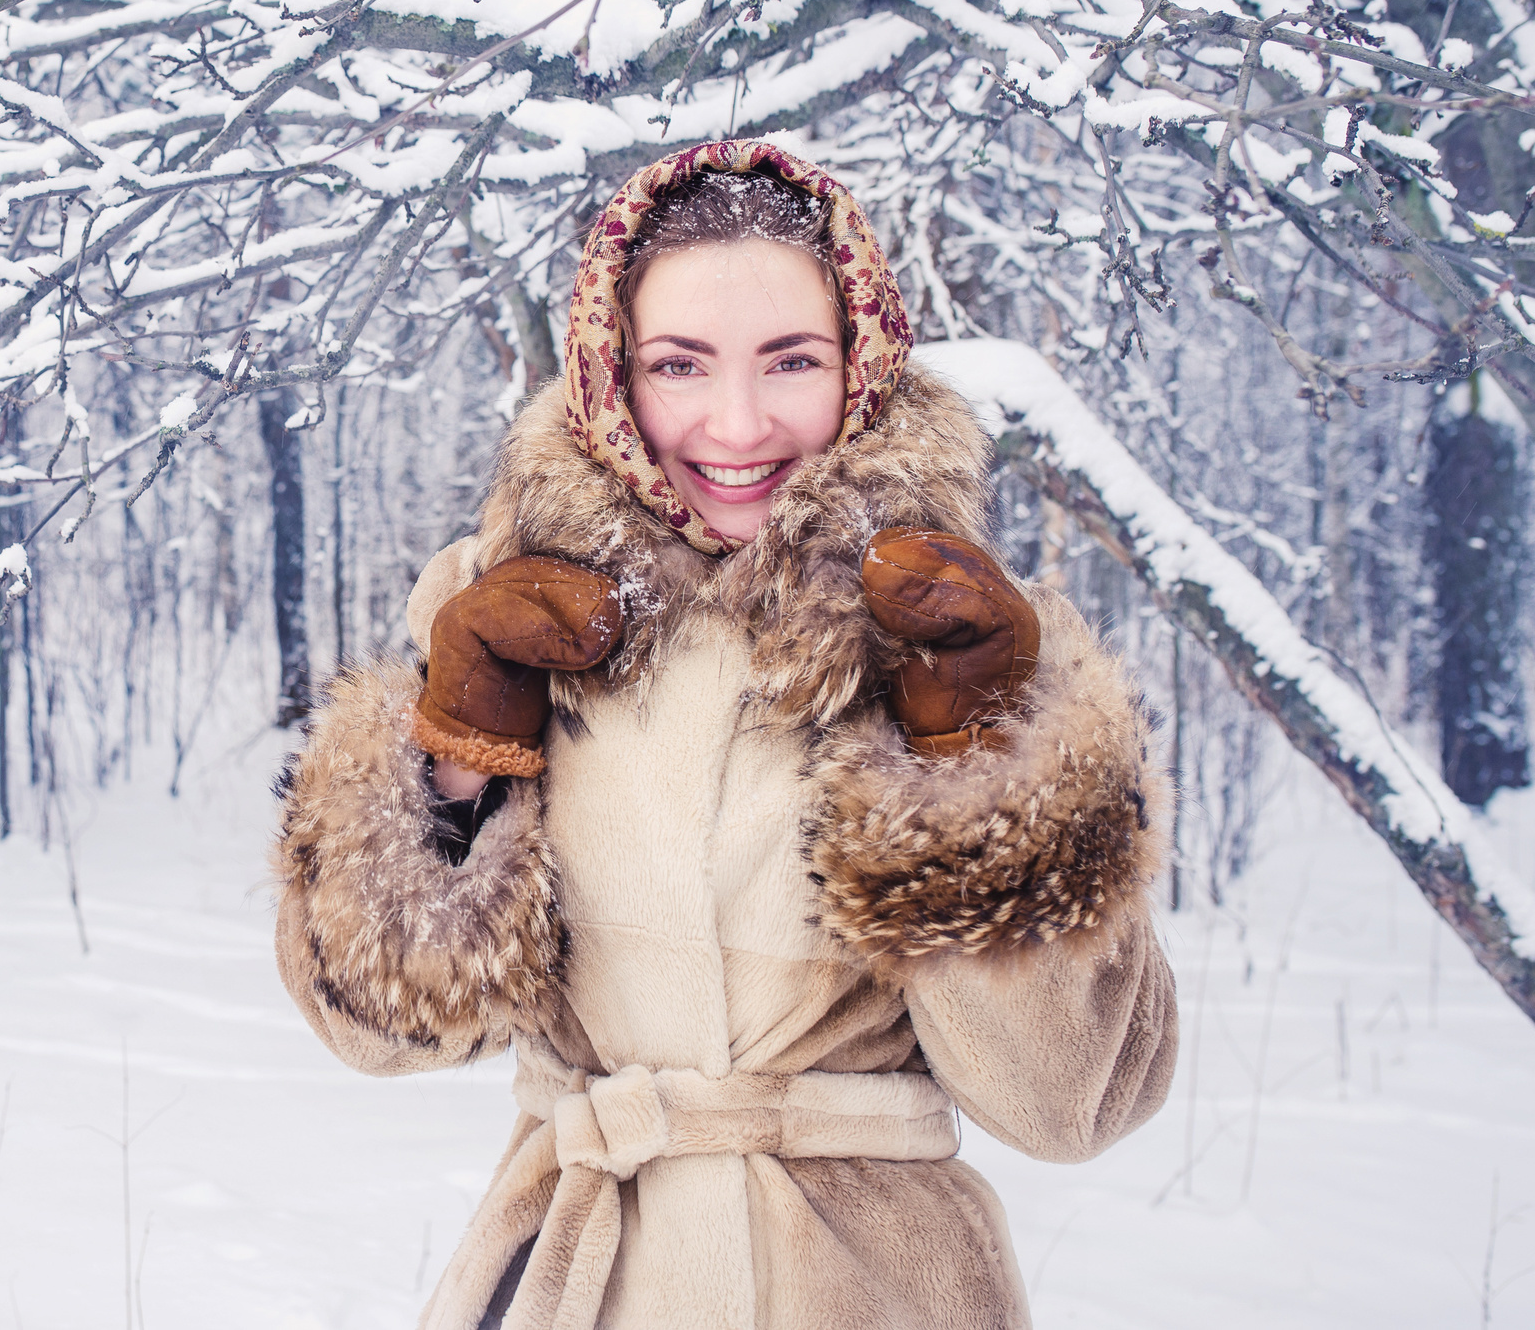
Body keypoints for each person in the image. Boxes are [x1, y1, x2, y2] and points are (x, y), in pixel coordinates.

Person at [272, 139, 1176, 1329]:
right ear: (610, 374)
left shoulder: (975, 634)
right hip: (582, 1275)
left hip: (875, 1287)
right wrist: (453, 758)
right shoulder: (498, 606)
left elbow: (1072, 1106)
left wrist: (970, 768)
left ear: (862, 364)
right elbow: (379, 1037)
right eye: (680, 365)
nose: (736, 424)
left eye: (790, 360)